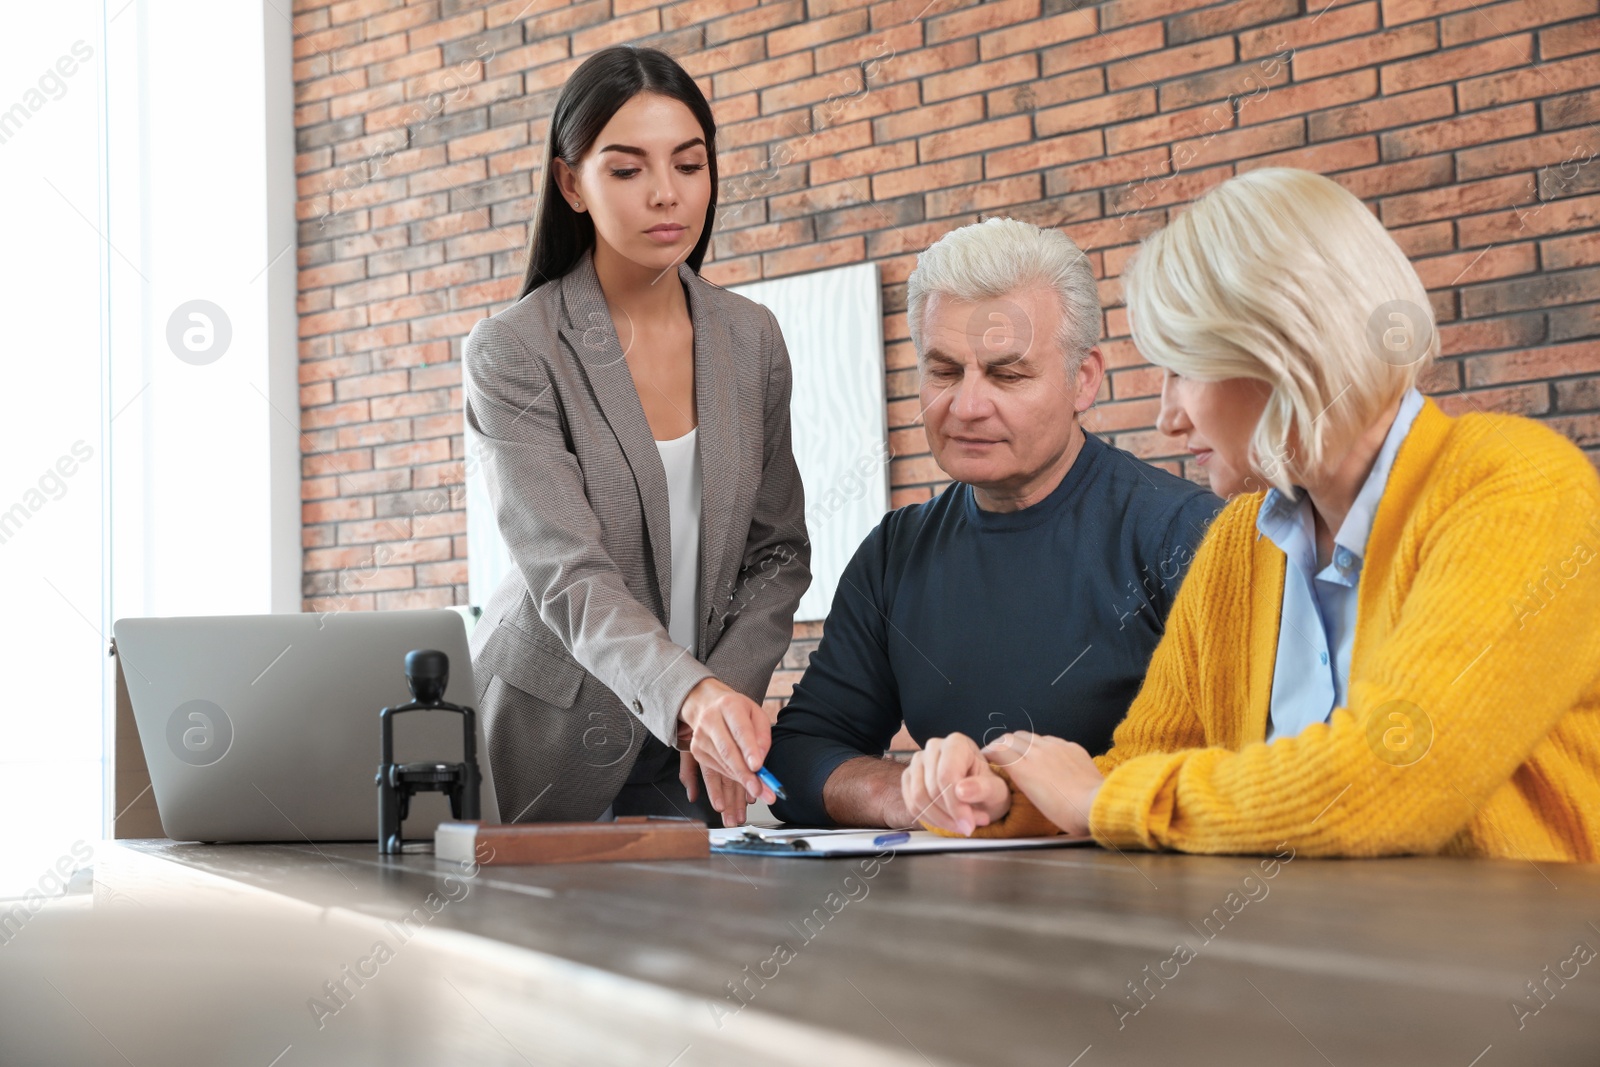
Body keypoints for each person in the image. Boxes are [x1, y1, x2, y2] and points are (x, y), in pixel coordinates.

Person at [907, 168, 1600, 862]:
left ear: (1283, 351)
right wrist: (1007, 798)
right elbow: (1143, 765)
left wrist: (1096, 801)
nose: (1167, 417)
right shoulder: (1241, 540)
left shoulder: (1518, 489)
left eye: (1183, 370)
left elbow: (1392, 779)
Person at [759, 217, 1224, 829]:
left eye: (1007, 374)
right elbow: (797, 757)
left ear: (1083, 379)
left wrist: (1010, 799)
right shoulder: (895, 554)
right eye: (944, 371)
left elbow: (1234, 762)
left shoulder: (1190, 536)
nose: (967, 407)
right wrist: (911, 795)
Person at [463, 46, 809, 826]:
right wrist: (689, 692)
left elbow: (778, 551)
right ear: (569, 184)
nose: (666, 193)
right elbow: (569, 574)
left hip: (685, 751)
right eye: (626, 170)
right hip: (544, 741)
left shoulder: (751, 338)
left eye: (689, 165)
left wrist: (725, 693)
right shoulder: (514, 350)